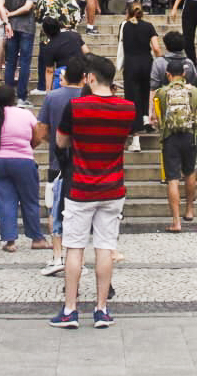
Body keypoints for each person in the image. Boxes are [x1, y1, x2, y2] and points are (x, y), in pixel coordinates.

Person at [50, 55, 137, 329]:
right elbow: (123, 140)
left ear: (89, 78)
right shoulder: (128, 108)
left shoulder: (76, 107)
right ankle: (101, 309)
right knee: (105, 247)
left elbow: (61, 141)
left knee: (75, 248)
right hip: (113, 186)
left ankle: (70, 309)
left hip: (81, 187)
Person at [36, 56, 87, 278]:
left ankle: (57, 256)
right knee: (81, 212)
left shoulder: (52, 97)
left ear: (64, 77)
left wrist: (56, 142)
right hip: (83, 163)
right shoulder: (88, 97)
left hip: (57, 161)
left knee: (54, 207)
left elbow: (41, 130)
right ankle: (79, 259)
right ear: (84, 77)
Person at [0, 84, 45, 253]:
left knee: (4, 201)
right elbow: (38, 138)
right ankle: (37, 239)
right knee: (29, 200)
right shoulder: (26, 114)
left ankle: (10, 241)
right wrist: (26, 147)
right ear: (14, 99)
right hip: (23, 160)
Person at [151, 57, 197, 231]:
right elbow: (195, 112)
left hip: (170, 137)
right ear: (184, 73)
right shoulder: (194, 91)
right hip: (190, 135)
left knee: (173, 178)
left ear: (168, 74)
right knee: (190, 171)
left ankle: (176, 222)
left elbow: (157, 117)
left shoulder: (161, 93)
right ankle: (189, 210)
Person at [0, 0, 42, 101]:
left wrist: (7, 20)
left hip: (11, 27)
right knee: (24, 62)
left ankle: (8, 95)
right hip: (27, 27)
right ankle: (22, 96)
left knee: (10, 61)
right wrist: (12, 14)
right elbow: (28, 7)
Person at [117, 3, 160, 132]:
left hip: (131, 64)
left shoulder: (124, 26)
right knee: (145, 91)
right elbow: (156, 47)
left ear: (128, 12)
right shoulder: (149, 26)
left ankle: (134, 125)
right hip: (147, 63)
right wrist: (161, 59)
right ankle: (146, 120)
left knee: (132, 94)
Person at [37, 17, 86, 95]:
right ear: (58, 26)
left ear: (46, 32)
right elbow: (86, 52)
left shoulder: (49, 47)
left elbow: (49, 71)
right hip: (80, 71)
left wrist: (48, 91)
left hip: (63, 73)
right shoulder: (74, 35)